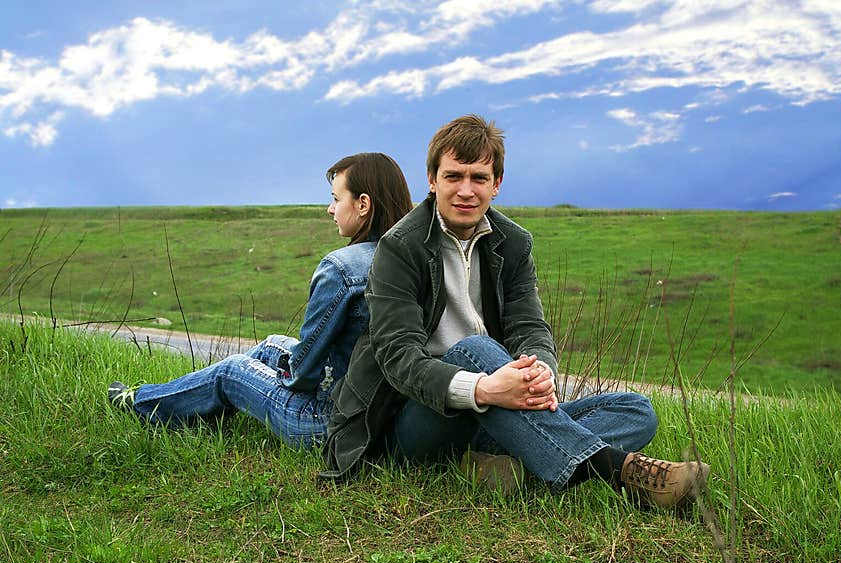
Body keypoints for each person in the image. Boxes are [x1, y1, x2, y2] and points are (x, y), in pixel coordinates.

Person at [319, 115, 709, 509]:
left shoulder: (514, 243)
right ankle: (621, 471)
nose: (466, 191)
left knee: (634, 409)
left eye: (479, 178)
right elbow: (398, 358)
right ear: (432, 180)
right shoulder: (399, 247)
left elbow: (529, 326)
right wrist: (483, 387)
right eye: (454, 177)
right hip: (416, 417)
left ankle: (504, 465)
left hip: (495, 412)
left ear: (497, 184)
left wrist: (540, 372)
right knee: (476, 350)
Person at [107, 152, 413, 448]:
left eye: (335, 199)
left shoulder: (342, 268)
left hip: (328, 423)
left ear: (363, 204)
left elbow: (302, 375)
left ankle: (142, 405)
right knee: (272, 345)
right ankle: (187, 406)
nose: (330, 209)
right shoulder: (412, 260)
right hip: (384, 415)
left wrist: (276, 378)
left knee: (233, 370)